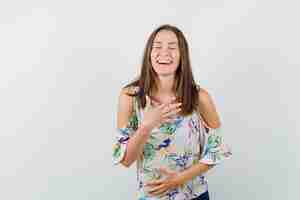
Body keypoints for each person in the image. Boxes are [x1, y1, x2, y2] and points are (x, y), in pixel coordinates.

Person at [112, 24, 232, 200]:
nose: (164, 53)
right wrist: (146, 126)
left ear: (182, 56)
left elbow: (217, 150)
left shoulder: (199, 97)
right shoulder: (130, 96)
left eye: (172, 47)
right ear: (149, 54)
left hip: (194, 195)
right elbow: (125, 160)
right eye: (158, 46)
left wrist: (178, 180)